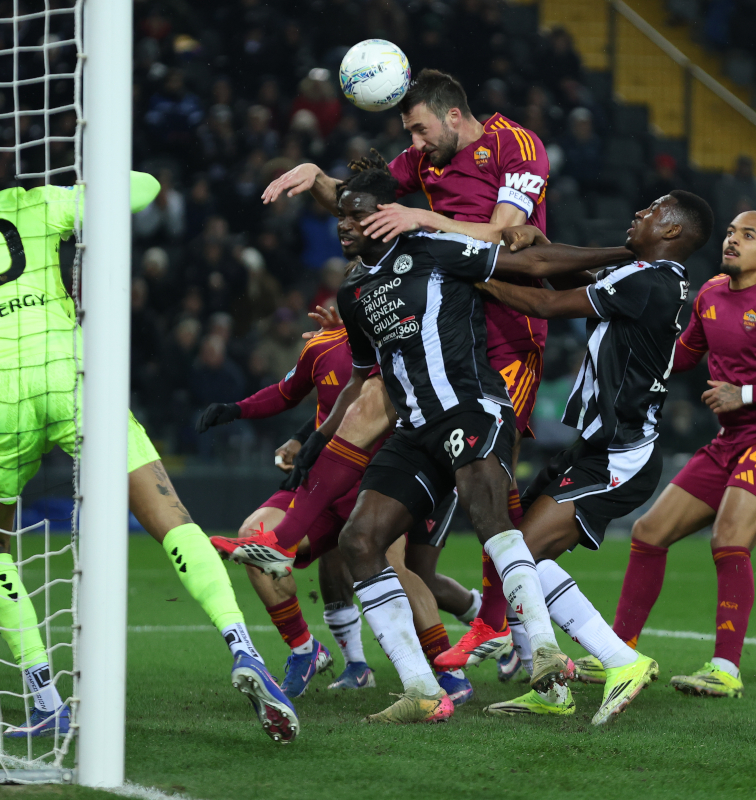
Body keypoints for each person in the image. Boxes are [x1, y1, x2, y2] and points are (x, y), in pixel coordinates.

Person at [0, 132, 298, 743]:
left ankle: (45, 698)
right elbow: (145, 188)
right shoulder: (30, 205)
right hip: (69, 380)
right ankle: (243, 648)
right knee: (170, 518)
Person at [249, 69, 558, 675]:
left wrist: (422, 220)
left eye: (418, 130)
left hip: (509, 332)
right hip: (443, 325)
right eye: (407, 134)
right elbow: (360, 198)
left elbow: (504, 235)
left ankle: (507, 630)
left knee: (494, 487)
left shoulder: (515, 146)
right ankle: (285, 536)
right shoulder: (426, 159)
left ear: (451, 115)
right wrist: (317, 179)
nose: (412, 146)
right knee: (368, 408)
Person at [309, 159, 637, 724]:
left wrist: (623, 256)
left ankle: (545, 652)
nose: (344, 225)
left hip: (471, 408)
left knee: (491, 521)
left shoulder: (433, 251)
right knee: (359, 540)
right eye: (340, 216)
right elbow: (368, 375)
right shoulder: (354, 293)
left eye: (356, 214)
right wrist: (316, 439)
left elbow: (530, 262)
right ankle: (421, 688)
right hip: (413, 431)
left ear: (385, 215)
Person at [467, 190, 713, 724]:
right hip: (598, 448)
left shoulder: (646, 278)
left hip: (618, 457)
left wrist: (467, 272)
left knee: (520, 554)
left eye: (650, 210)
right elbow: (574, 288)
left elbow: (548, 305)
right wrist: (545, 247)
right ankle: (550, 684)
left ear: (672, 231)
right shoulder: (658, 282)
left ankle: (621, 661)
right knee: (518, 555)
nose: (637, 212)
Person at [601, 210, 756, 699]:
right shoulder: (709, 293)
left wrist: (742, 395)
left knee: (727, 539)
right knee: (649, 532)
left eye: (747, 236)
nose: (732, 241)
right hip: (730, 440)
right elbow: (684, 354)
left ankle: (725, 668)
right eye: (730, 233)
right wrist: (632, 344)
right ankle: (620, 651)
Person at [197, 314, 476, 703]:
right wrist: (238, 409)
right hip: (321, 485)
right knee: (252, 540)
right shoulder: (322, 346)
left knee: (395, 567)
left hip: (381, 485)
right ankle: (305, 650)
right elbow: (287, 392)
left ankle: (449, 670)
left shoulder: (404, 345)